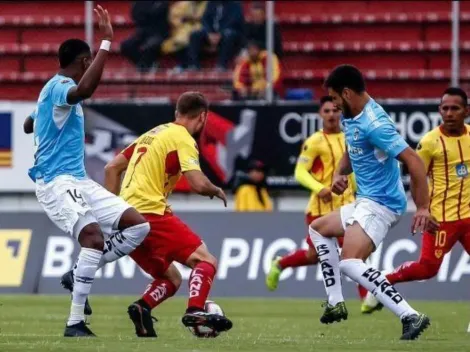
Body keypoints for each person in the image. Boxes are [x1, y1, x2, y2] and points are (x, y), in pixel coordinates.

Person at [23, 6, 150, 337]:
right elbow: (85, 90)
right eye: (90, 60)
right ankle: (75, 321)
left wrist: (36, 120)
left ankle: (76, 272)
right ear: (84, 62)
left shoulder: (51, 93)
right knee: (93, 237)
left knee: (138, 226)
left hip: (77, 180)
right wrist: (106, 43)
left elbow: (28, 123)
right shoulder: (62, 86)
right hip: (55, 182)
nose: (92, 66)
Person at [309, 64, 438, 340]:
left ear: (346, 93)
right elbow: (351, 148)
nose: (332, 105)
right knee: (318, 229)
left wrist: (423, 207)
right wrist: (339, 172)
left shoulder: (375, 124)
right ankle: (335, 303)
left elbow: (414, 161)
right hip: (365, 200)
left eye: (333, 98)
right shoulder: (353, 115)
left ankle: (409, 315)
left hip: (382, 204)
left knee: (349, 262)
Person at [103, 92, 233, 337]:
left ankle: (143, 307)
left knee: (171, 278)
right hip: (150, 213)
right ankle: (196, 310)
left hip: (125, 219)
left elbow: (112, 168)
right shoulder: (182, 137)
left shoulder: (152, 134)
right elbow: (197, 183)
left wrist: (112, 211)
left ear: (177, 113)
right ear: (203, 117)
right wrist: (215, 189)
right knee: (206, 261)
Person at [361, 87, 470, 314]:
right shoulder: (430, 142)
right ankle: (383, 280)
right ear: (440, 110)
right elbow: (417, 177)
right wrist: (423, 209)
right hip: (441, 220)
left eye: (455, 108)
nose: (449, 113)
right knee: (427, 269)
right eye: (445, 108)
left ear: (466, 111)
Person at [265, 96, 355, 290]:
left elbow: (352, 171)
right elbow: (299, 172)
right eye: (327, 111)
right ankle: (281, 263)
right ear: (320, 114)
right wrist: (319, 188)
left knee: (355, 252)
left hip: (346, 207)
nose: (331, 115)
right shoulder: (314, 141)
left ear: (341, 112)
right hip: (320, 210)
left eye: (335, 110)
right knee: (314, 256)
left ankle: (367, 299)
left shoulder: (350, 138)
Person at [186, 1, 244, 71]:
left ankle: (221, 65)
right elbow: (205, 19)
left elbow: (234, 21)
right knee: (194, 34)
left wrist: (220, 33)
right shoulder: (211, 3)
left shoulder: (235, 4)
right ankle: (194, 64)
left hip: (227, 32)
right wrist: (209, 32)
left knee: (229, 34)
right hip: (211, 33)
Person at [120, 1, 170, 72]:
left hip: (161, 33)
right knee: (126, 46)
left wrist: (146, 11)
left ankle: (146, 66)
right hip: (143, 33)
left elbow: (159, 11)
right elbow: (136, 15)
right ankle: (145, 65)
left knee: (151, 45)